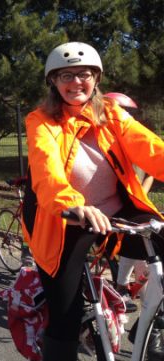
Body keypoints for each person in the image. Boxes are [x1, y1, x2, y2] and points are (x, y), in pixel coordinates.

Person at [23, 42, 164, 360]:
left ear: (96, 78)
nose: (75, 83)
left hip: (115, 213)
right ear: (54, 83)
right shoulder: (41, 121)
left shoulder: (113, 115)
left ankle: (154, 325)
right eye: (66, 76)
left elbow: (151, 149)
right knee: (65, 317)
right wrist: (72, 204)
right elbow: (47, 168)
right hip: (65, 220)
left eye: (83, 74)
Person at [103, 92, 151, 311]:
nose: (125, 117)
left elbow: (150, 169)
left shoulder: (134, 139)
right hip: (112, 209)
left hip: (135, 205)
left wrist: (141, 195)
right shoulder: (105, 144)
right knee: (135, 248)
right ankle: (122, 287)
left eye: (128, 113)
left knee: (148, 256)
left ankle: (129, 290)